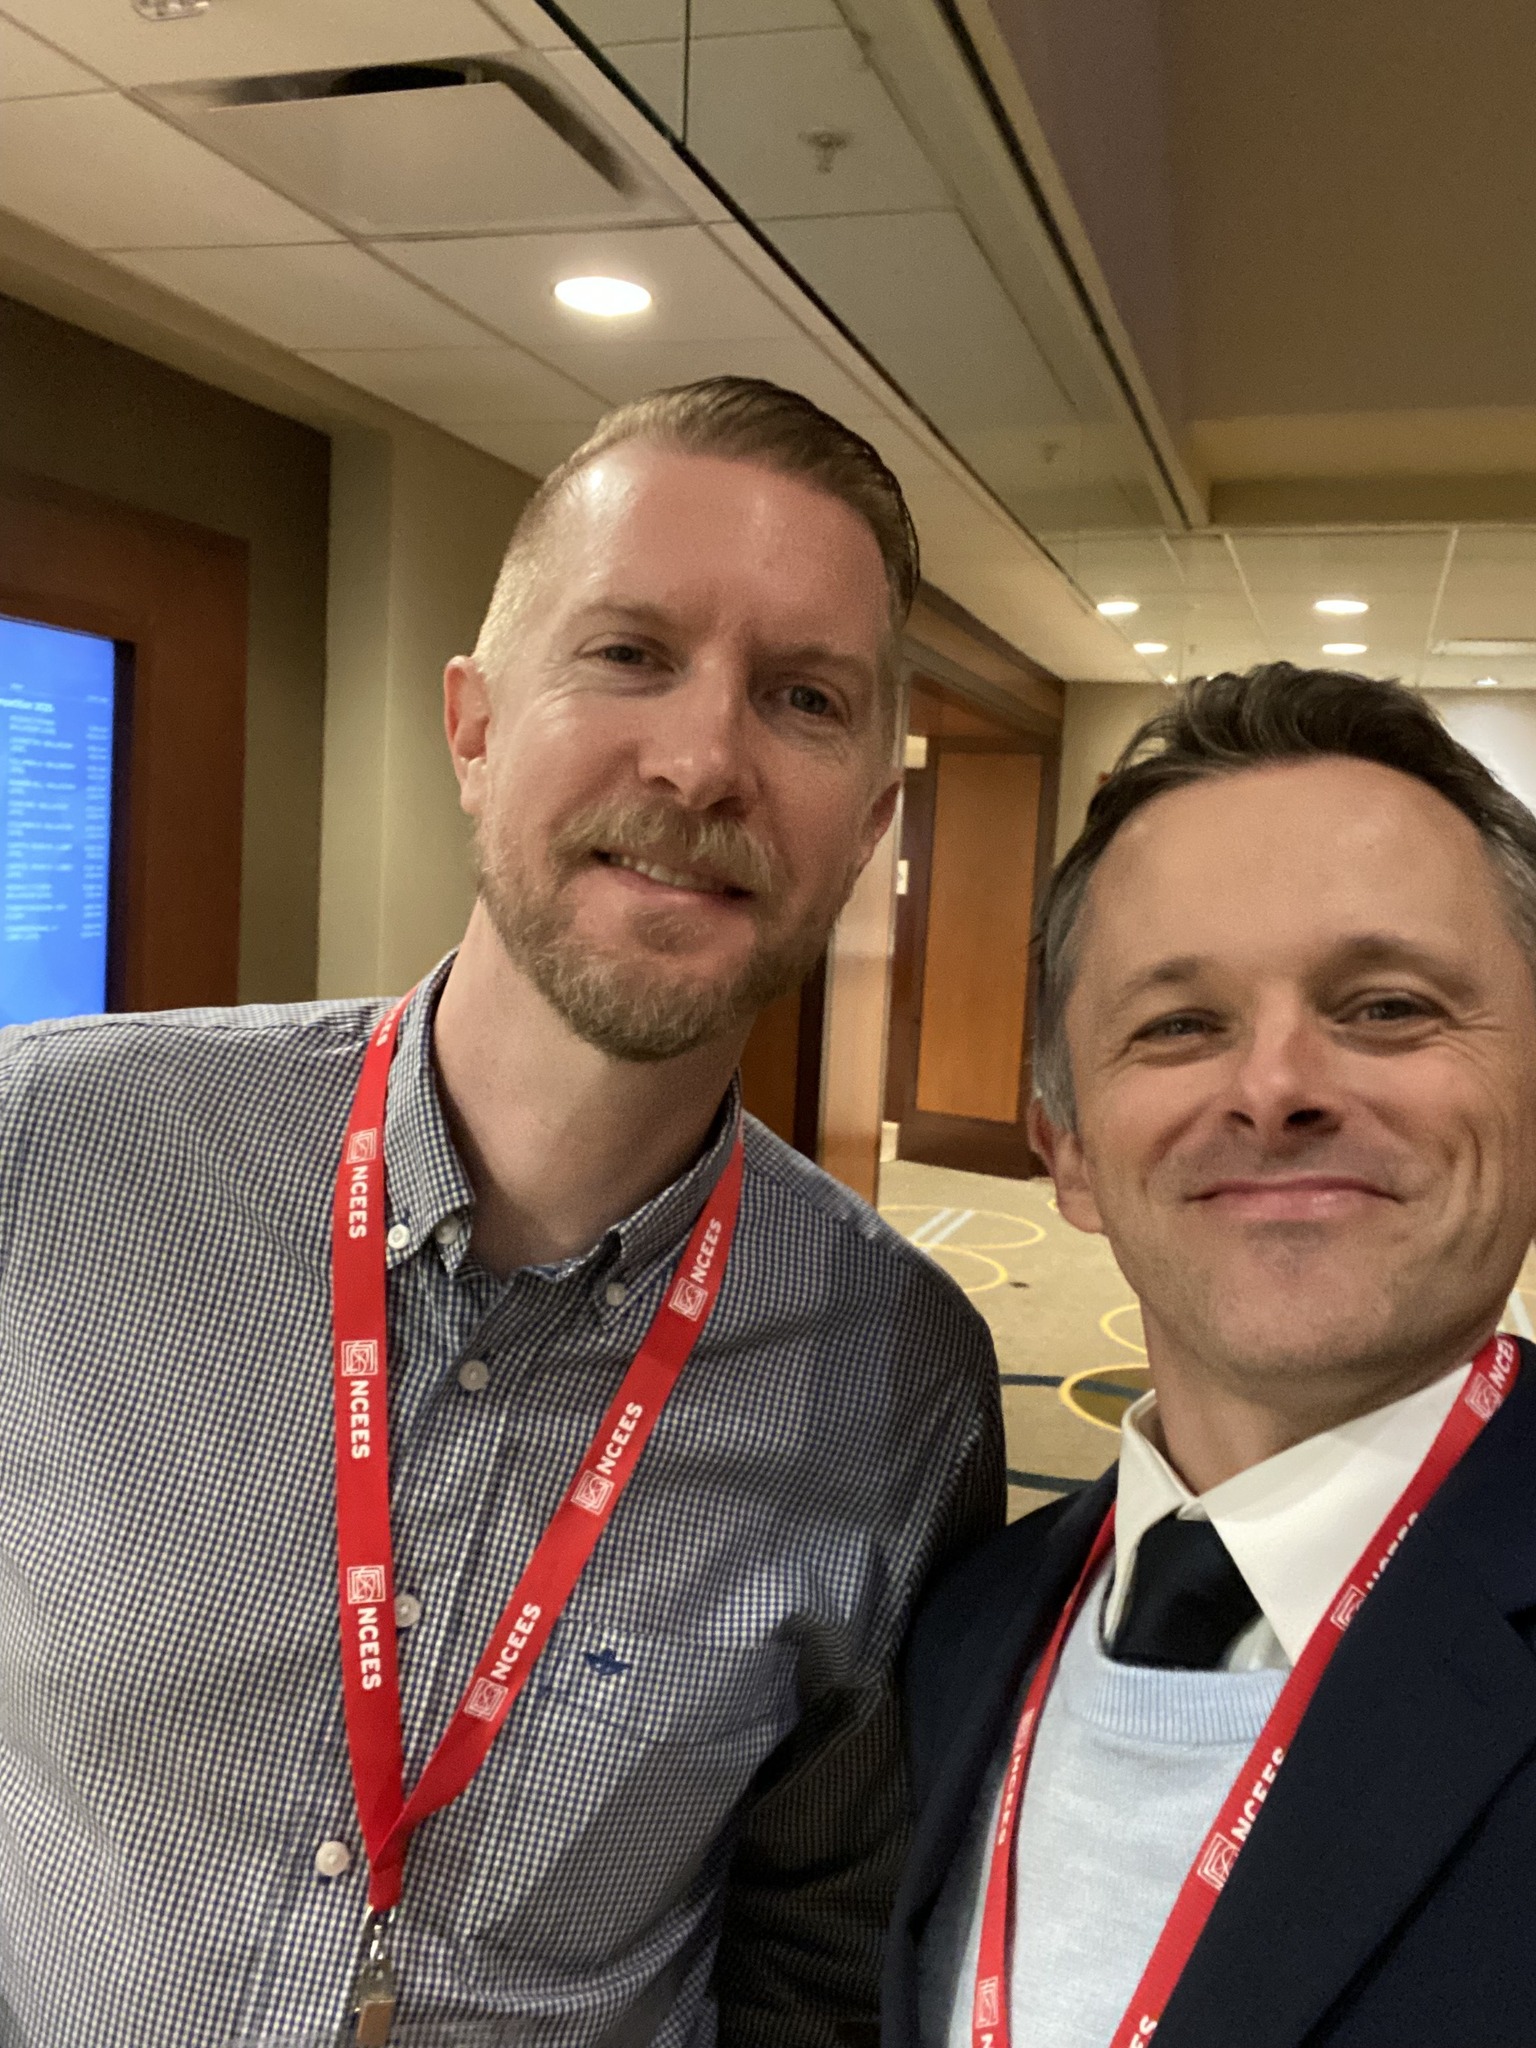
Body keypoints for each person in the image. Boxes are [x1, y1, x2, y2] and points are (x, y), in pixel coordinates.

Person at [0, 378, 1004, 2048]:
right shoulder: (53, 1149)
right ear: (471, 727)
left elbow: (817, 1972)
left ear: (868, 829)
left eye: (804, 698)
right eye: (627, 654)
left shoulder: (900, 1379)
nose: (702, 758)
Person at [885, 663, 1536, 2048]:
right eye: (1179, 1024)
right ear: (1066, 1155)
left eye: (1388, 1005)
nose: (1278, 1087)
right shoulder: (960, 1632)